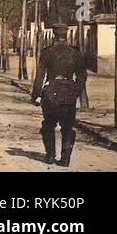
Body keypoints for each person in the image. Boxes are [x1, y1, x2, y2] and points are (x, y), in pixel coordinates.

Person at [31, 24, 87, 166]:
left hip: (51, 92)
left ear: (54, 35)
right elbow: (82, 75)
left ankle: (50, 156)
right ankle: (65, 158)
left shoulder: (47, 52)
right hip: (69, 92)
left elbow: (40, 76)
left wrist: (36, 95)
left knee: (49, 124)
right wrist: (76, 91)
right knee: (68, 126)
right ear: (66, 35)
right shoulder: (75, 53)